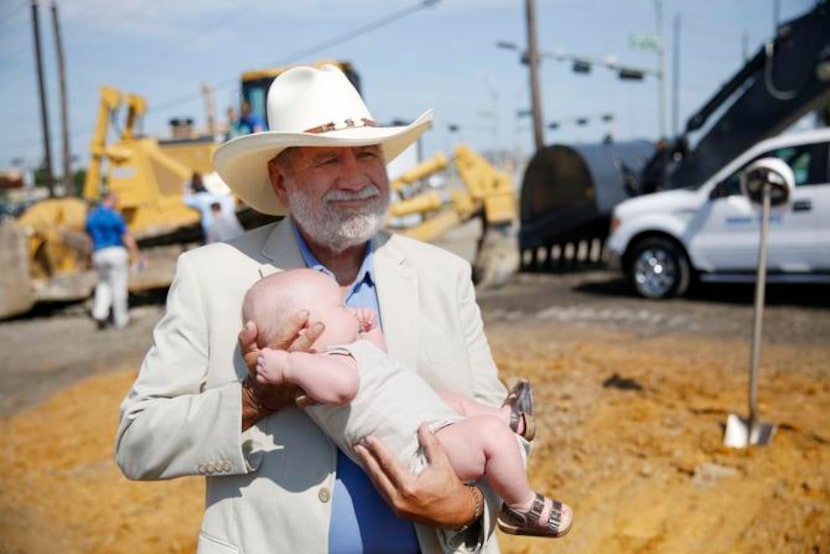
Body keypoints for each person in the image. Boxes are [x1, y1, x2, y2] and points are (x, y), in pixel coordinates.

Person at [115, 64, 536, 553]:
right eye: (327, 160)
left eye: (367, 154)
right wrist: (255, 400)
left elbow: (501, 429)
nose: (356, 178)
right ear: (280, 180)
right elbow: (137, 441)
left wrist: (464, 509)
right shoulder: (212, 277)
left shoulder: (443, 274)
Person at [244, 268, 573, 538]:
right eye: (341, 307)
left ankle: (505, 417)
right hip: (420, 452)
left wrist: (369, 332)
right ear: (307, 327)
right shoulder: (320, 369)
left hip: (426, 421)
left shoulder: (346, 351)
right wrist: (287, 365)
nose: (350, 309)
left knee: (454, 401)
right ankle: (522, 507)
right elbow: (344, 387)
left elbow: (380, 362)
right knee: (489, 436)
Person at [84, 192, 142, 330]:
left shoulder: (91, 217)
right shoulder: (115, 216)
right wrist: (136, 253)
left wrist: (88, 258)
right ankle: (121, 319)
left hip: (98, 253)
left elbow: (88, 240)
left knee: (103, 284)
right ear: (110, 200)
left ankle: (99, 313)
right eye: (116, 200)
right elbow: (126, 236)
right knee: (118, 286)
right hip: (116, 251)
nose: (117, 202)